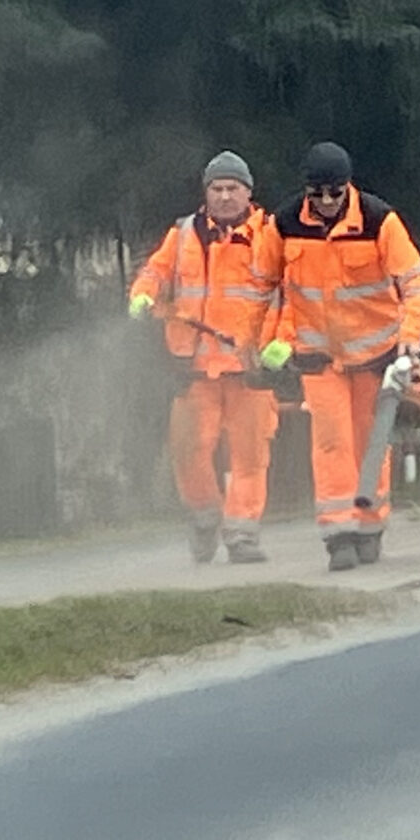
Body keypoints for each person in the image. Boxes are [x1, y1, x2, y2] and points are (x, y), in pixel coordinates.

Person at [275, 142, 420, 572]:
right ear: (306, 190)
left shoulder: (380, 221)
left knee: (371, 442)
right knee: (331, 441)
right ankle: (337, 535)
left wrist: (410, 338)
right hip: (318, 358)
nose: (327, 201)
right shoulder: (284, 224)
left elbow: (417, 281)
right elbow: (264, 285)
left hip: (375, 356)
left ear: (349, 187)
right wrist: (274, 340)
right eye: (318, 192)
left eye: (335, 192)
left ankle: (370, 527)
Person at [127, 151, 286, 564]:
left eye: (233, 188)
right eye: (217, 188)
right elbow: (156, 272)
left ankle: (242, 534)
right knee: (188, 450)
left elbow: (292, 295)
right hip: (194, 367)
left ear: (248, 192)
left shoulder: (272, 236)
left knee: (251, 457)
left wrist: (281, 343)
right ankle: (204, 516)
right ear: (206, 193)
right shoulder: (183, 235)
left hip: (251, 369)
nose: (225, 196)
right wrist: (142, 294)